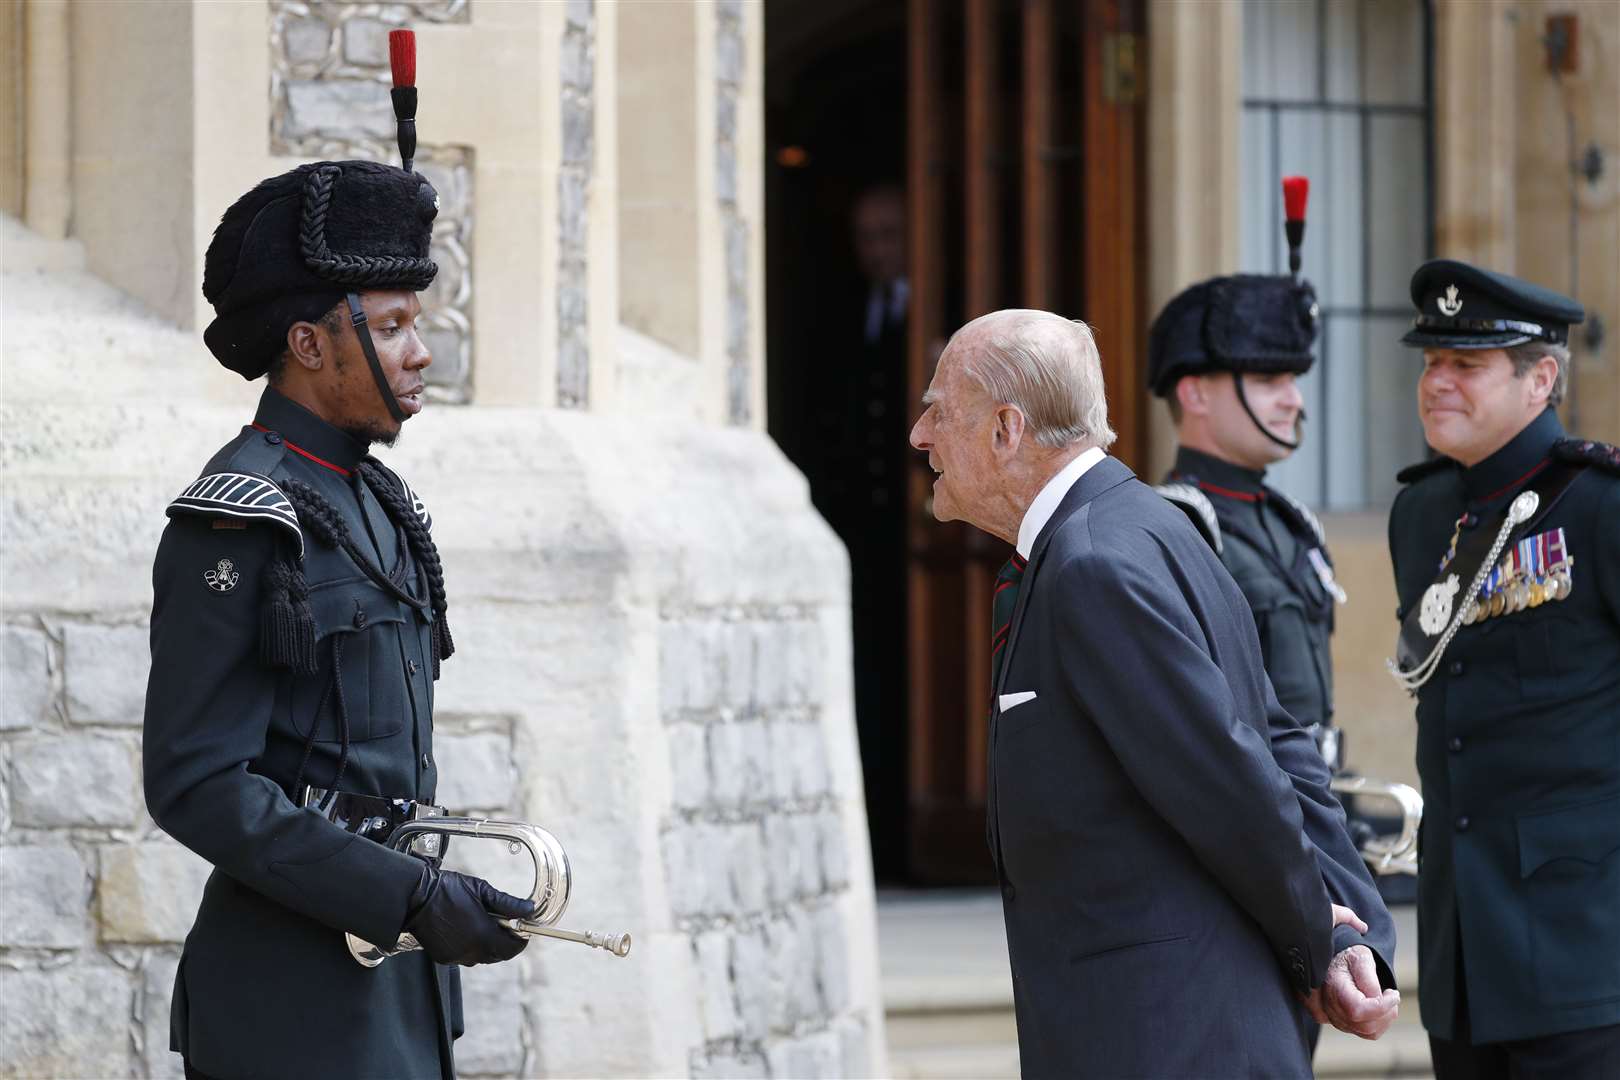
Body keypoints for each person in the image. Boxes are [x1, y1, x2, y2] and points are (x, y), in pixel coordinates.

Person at [908, 309, 1399, 1077]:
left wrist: (1320, 942)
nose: (920, 435)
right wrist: (1345, 933)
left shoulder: (1093, 563)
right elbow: (1278, 744)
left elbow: (1233, 776)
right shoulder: (1144, 526)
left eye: (938, 409)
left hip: (1165, 1038)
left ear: (1006, 429)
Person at [143, 159, 535, 1080]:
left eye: (417, 323)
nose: (420, 351)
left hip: (395, 992)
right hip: (290, 1005)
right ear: (310, 344)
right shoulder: (240, 515)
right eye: (392, 326)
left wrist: (422, 903)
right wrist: (405, 895)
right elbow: (195, 781)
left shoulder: (376, 500)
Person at [1387, 259, 1620, 1079]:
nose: (1437, 381)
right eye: (1429, 361)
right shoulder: (1420, 515)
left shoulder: (1600, 506)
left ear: (1541, 378)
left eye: (1466, 365)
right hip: (1463, 951)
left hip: (1586, 948)